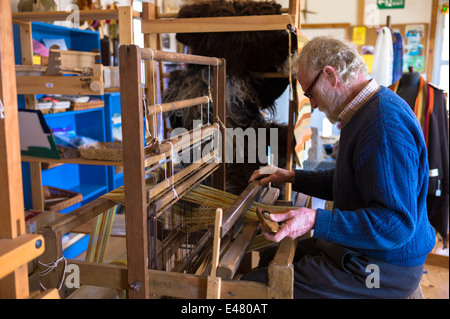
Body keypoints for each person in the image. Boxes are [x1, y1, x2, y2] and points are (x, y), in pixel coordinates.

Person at [244, 36, 436, 299]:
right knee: (269, 257)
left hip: (382, 271)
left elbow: (396, 225)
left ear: (330, 75)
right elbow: (352, 181)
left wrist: (314, 219)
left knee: (253, 289)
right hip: (368, 254)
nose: (312, 103)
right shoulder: (364, 112)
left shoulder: (382, 125)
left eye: (310, 93)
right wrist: (291, 176)